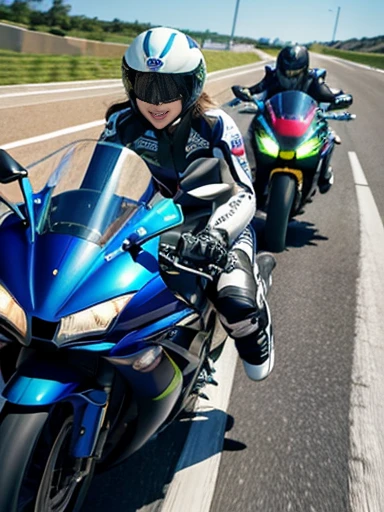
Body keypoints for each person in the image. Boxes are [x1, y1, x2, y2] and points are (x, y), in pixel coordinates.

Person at [100, 26, 276, 381]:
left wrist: (216, 236)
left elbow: (244, 192)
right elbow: (98, 179)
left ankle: (258, 321)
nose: (156, 101)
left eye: (169, 88)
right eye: (146, 86)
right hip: (155, 222)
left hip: (217, 223)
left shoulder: (215, 125)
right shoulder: (120, 123)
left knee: (237, 308)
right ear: (130, 82)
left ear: (191, 85)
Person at [232, 44, 353, 194]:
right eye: (286, 71)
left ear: (303, 70)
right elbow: (256, 89)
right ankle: (249, 172)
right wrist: (245, 93)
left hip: (305, 125)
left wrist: (340, 99)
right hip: (275, 124)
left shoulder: (314, 80)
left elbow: (328, 95)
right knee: (251, 132)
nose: (289, 75)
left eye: (294, 73)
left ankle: (323, 175)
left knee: (328, 136)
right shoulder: (273, 76)